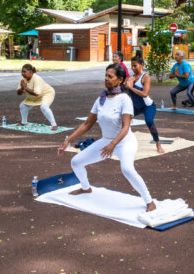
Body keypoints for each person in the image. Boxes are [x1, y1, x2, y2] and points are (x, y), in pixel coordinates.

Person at [57, 64, 156, 212]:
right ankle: (86, 188)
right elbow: (87, 123)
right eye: (105, 75)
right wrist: (68, 140)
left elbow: (126, 127)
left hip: (124, 142)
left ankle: (149, 201)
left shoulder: (124, 99)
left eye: (110, 76)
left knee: (127, 169)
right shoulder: (101, 99)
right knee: (76, 162)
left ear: (120, 80)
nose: (106, 79)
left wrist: (113, 144)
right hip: (106, 142)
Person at [125, 55, 165, 153]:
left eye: (135, 66)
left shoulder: (146, 77)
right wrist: (126, 85)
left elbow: (145, 93)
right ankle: (122, 143)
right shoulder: (130, 78)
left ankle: (158, 144)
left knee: (149, 121)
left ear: (142, 64)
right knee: (122, 119)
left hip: (148, 106)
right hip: (135, 106)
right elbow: (124, 91)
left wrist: (131, 87)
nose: (133, 68)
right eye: (132, 66)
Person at [17, 64, 58, 129]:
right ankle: (24, 122)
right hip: (34, 97)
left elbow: (36, 93)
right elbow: (18, 93)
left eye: (24, 72)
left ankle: (54, 125)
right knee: (22, 106)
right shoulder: (23, 80)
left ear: (30, 72)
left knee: (44, 107)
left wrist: (25, 88)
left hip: (46, 93)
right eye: (22, 72)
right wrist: (22, 88)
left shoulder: (37, 78)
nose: (22, 73)